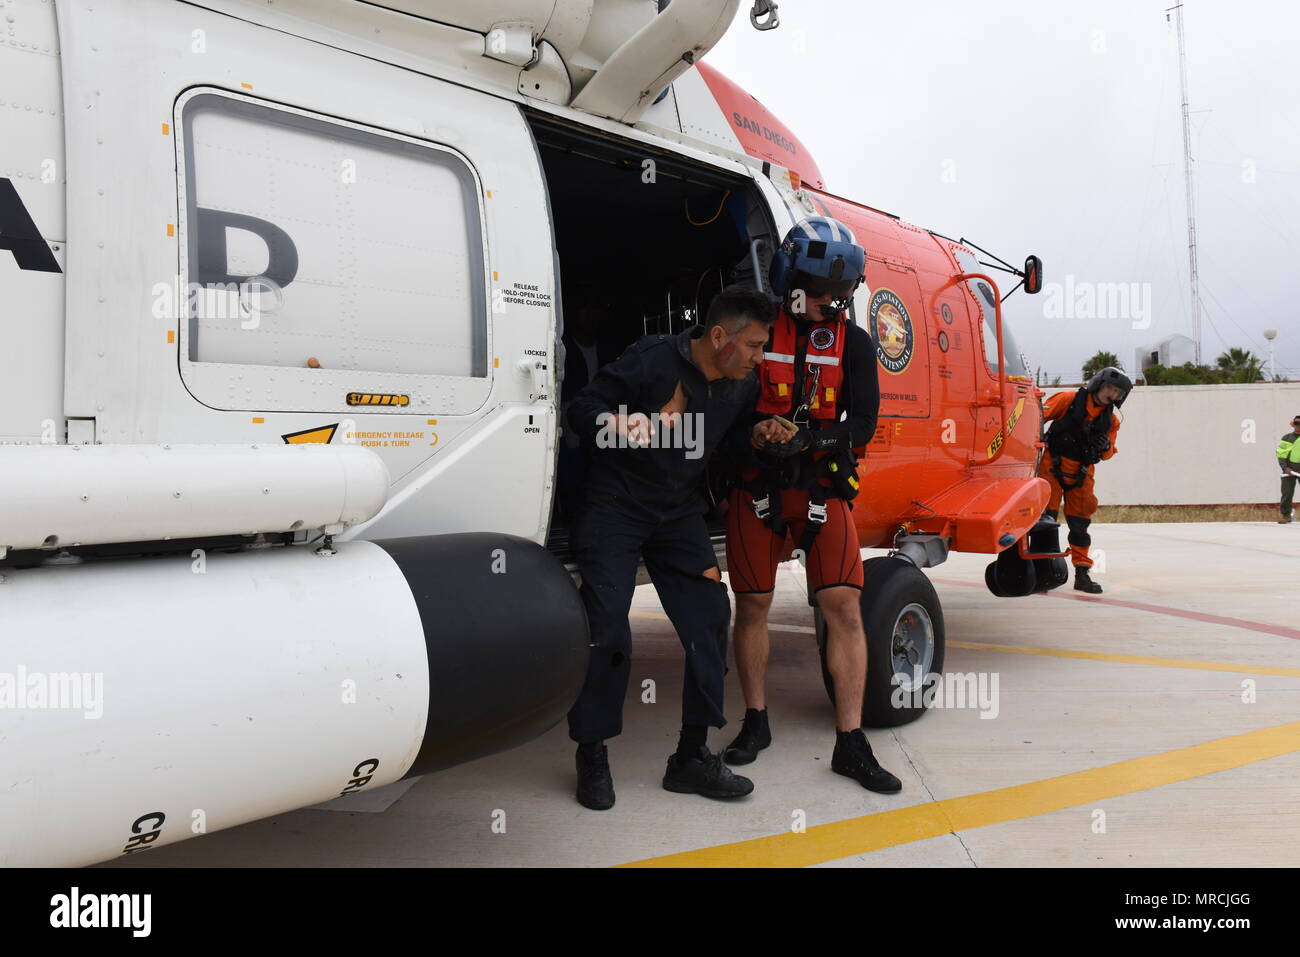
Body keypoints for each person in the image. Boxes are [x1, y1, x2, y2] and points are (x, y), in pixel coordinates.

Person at [564, 285, 780, 810]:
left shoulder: (740, 387)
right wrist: (625, 425)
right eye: (753, 345)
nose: (759, 357)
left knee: (709, 618)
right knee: (609, 627)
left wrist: (759, 435)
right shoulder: (651, 360)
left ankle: (690, 757)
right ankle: (592, 752)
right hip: (617, 504)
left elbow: (723, 442)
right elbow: (580, 410)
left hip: (678, 510)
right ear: (719, 336)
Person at [721, 216, 901, 795]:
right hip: (758, 490)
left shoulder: (855, 342)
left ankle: (850, 742)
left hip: (822, 489)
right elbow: (721, 413)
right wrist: (755, 433)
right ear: (793, 282)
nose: (836, 303)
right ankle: (755, 721)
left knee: (844, 609)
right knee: (751, 608)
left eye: (841, 293)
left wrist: (813, 439)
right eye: (826, 292)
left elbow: (866, 423)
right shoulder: (754, 333)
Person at [1038, 367, 1130, 592]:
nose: (1111, 394)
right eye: (1110, 387)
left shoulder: (1112, 422)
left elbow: (1108, 453)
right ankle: (1042, 572)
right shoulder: (1069, 399)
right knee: (1044, 522)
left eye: (1117, 392)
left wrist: (1105, 447)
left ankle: (1082, 574)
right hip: (1052, 466)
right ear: (1099, 384)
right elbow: (1037, 417)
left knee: (1080, 525)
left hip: (1082, 473)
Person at [1276, 415, 1300, 524]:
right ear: (1293, 424)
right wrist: (1285, 468)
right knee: (1287, 493)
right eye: (1297, 423)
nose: (1298, 426)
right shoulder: (1286, 438)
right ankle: (1286, 515)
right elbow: (1281, 454)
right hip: (1288, 470)